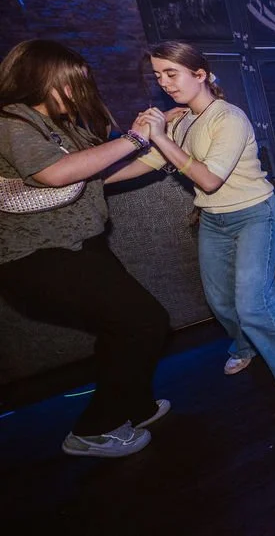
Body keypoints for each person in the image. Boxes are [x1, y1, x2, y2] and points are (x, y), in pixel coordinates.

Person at [120, 41, 275, 418]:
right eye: (158, 76)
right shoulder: (182, 120)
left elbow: (209, 179)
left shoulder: (229, 118)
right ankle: (247, 345)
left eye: (171, 73)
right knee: (220, 300)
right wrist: (92, 179)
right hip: (214, 219)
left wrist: (161, 136)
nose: (164, 82)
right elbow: (150, 162)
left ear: (200, 74)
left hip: (254, 215)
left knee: (255, 302)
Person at [0, 40, 170, 457]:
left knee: (123, 327)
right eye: (68, 83)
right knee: (144, 322)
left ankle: (131, 405)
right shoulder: (10, 122)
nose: (76, 92)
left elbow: (95, 173)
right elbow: (56, 173)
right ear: (38, 78)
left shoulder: (62, 125)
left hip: (81, 246)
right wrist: (136, 138)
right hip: (39, 255)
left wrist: (164, 144)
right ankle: (95, 429)